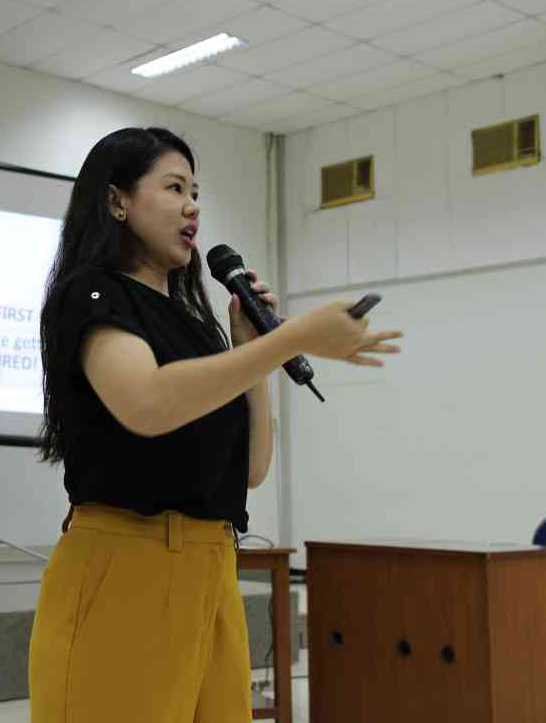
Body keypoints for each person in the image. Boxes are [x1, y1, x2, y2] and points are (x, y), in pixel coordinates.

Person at [28, 127, 403, 722]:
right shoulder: (94, 295)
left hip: (213, 569)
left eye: (196, 191)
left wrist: (254, 347)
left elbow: (252, 469)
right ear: (116, 200)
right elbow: (146, 404)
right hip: (125, 569)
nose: (192, 205)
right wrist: (298, 336)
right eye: (174, 187)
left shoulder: (196, 324)